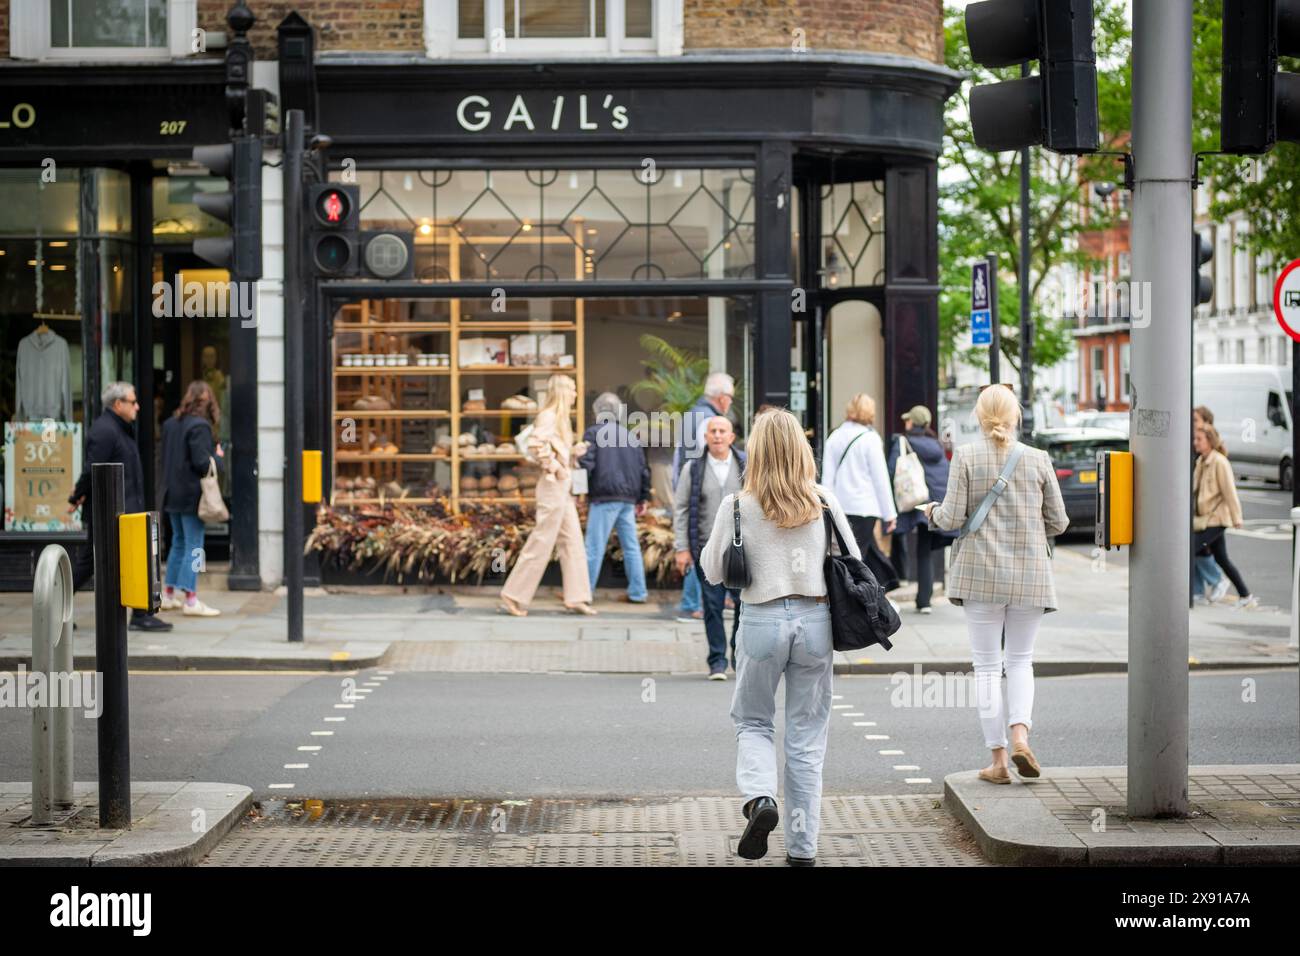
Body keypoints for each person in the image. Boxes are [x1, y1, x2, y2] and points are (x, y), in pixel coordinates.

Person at [701, 409, 860, 866]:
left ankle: (760, 798)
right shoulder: (822, 500)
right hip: (815, 621)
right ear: (800, 451)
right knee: (807, 736)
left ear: (757, 451)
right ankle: (803, 849)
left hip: (761, 621)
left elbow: (713, 571)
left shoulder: (738, 505)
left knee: (753, 721)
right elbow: (852, 556)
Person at [922, 384, 1068, 784]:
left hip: (980, 576)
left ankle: (1000, 761)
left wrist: (931, 511)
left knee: (987, 667)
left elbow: (952, 518)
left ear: (979, 417)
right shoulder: (1038, 459)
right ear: (1016, 416)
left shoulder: (966, 456)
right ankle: (1021, 734)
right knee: (1021, 661)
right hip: (1030, 577)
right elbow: (1060, 522)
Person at [68, 382, 173, 632]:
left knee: (132, 559)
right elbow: (93, 469)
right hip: (111, 513)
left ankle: (140, 613)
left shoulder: (120, 429)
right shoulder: (105, 431)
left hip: (125, 510)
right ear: (118, 404)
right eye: (132, 401)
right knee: (89, 562)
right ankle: (52, 605)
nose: (137, 406)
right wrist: (77, 496)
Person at [500, 375, 595, 616]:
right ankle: (512, 596)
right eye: (572, 390)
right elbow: (535, 445)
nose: (575, 394)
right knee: (541, 541)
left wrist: (572, 453)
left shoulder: (560, 419)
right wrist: (556, 466)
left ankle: (577, 597)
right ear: (563, 391)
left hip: (562, 489)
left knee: (573, 542)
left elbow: (552, 449)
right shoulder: (549, 416)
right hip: (553, 487)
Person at [674, 416, 745, 680]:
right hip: (707, 549)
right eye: (712, 431)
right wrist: (682, 548)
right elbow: (680, 510)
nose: (717, 435)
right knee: (712, 606)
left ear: (731, 437)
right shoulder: (692, 469)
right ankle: (717, 661)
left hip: (741, 550)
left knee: (744, 606)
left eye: (722, 431)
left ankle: (739, 656)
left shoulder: (745, 466)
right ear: (706, 437)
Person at [673, 372, 736, 623]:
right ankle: (696, 604)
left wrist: (678, 486)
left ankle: (691, 603)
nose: (730, 402)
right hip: (703, 491)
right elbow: (707, 459)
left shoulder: (690, 415)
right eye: (730, 397)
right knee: (703, 545)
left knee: (695, 543)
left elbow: (679, 455)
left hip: (687, 486)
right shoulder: (711, 420)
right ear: (721, 398)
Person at [820, 393, 900, 591]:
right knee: (857, 558)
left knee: (850, 554)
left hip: (839, 507)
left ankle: (877, 590)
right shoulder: (870, 439)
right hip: (864, 508)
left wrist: (824, 507)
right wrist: (889, 514)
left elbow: (827, 479)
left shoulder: (834, 437)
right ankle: (860, 596)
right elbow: (880, 479)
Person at [159, 381, 224, 617]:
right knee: (195, 547)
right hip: (192, 495)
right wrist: (217, 457)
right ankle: (191, 598)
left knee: (178, 542)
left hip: (171, 493)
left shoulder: (170, 424)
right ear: (207, 402)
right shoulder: (200, 427)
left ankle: (167, 595)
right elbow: (201, 462)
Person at [580, 392, 651, 603]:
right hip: (627, 499)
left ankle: (584, 593)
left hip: (604, 497)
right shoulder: (630, 436)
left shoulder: (593, 433)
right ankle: (638, 593)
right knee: (631, 547)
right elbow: (643, 470)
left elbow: (586, 465)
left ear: (597, 411)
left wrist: (578, 492)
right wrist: (643, 497)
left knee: (593, 547)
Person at [887, 405, 957, 614]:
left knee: (898, 537)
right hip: (935, 500)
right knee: (924, 548)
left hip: (915, 498)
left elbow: (891, 470)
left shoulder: (903, 441)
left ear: (912, 422)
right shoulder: (936, 445)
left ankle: (900, 582)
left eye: (908, 420)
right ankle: (924, 600)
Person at [1193, 423, 1256, 609]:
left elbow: (1229, 492)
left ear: (1210, 441)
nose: (1195, 443)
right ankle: (1245, 595)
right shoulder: (1200, 462)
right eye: (1195, 439)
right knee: (1221, 558)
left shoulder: (1220, 462)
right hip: (1204, 519)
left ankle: (1199, 590)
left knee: (1191, 549)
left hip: (1216, 519)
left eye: (1199, 439)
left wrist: (1237, 517)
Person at [1192, 405, 1227, 603]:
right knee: (1208, 551)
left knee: (1197, 549)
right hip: (1200, 514)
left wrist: (1236, 517)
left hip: (1213, 516)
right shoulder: (1196, 447)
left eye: (1196, 420)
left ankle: (1216, 581)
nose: (1193, 425)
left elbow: (1227, 490)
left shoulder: (1215, 457)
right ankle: (1198, 591)